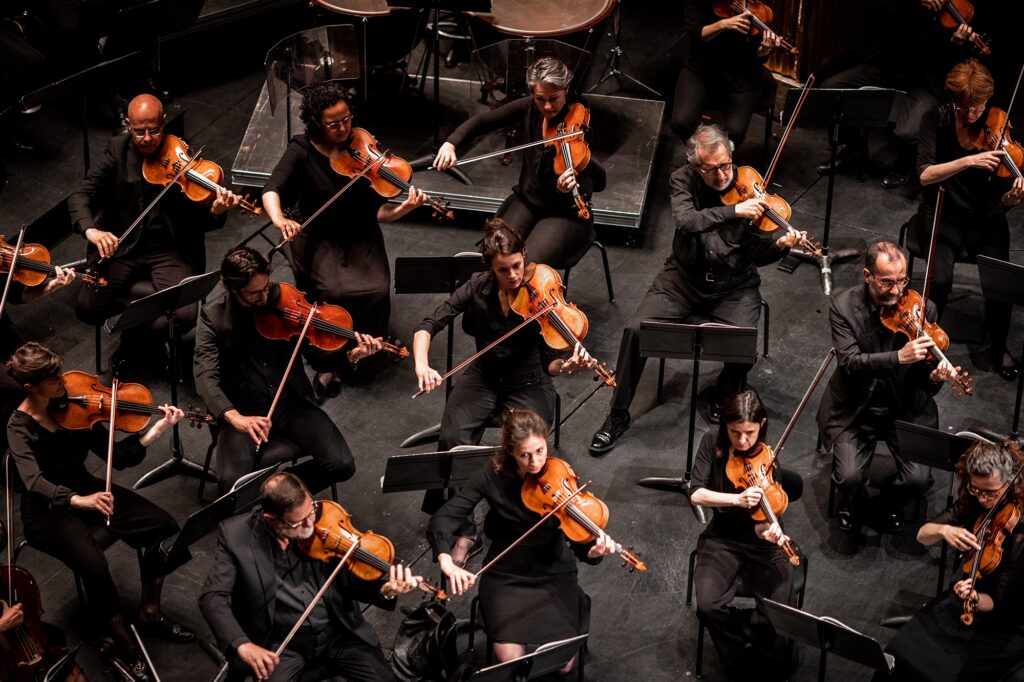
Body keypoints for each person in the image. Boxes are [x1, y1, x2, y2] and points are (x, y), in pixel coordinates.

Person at [589, 124, 802, 454]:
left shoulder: (750, 187)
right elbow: (686, 221)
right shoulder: (683, 179)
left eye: (726, 165)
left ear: (731, 156)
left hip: (733, 286)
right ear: (696, 166)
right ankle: (618, 414)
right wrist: (733, 211)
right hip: (682, 281)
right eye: (711, 169)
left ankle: (724, 391)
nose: (722, 175)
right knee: (635, 331)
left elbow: (757, 256)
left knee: (743, 341)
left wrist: (780, 246)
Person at [6, 341, 194, 681]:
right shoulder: (18, 428)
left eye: (60, 372)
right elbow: (33, 482)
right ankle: (122, 642)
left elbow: (116, 458)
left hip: (84, 486)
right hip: (46, 511)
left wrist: (158, 429)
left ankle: (150, 611)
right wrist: (79, 501)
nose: (63, 381)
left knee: (163, 525)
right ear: (30, 387)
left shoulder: (74, 404)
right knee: (94, 564)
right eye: (53, 378)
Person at [262, 81, 427, 400]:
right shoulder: (301, 150)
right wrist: (280, 219)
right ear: (315, 122)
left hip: (359, 233)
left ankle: (369, 349)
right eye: (333, 124)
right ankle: (329, 359)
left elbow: (378, 212)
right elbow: (272, 189)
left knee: (377, 289)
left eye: (347, 119)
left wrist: (405, 207)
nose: (343, 128)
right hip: (317, 235)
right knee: (333, 293)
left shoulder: (362, 146)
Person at [427, 409, 616, 668]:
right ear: (511, 452)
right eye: (524, 455)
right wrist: (446, 561)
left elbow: (577, 539)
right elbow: (444, 516)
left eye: (540, 450)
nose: (535, 462)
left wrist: (593, 551)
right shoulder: (492, 474)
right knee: (510, 661)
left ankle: (573, 609)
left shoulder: (558, 473)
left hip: (552, 569)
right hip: (506, 573)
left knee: (562, 665)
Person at [199, 472, 421, 682]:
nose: (311, 525)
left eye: (311, 511)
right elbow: (212, 598)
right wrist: (243, 645)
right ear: (272, 520)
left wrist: (385, 590)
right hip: (283, 647)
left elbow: (348, 582)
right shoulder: (236, 537)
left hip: (338, 633)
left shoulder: (325, 522)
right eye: (299, 522)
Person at [69, 93, 240, 365]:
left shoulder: (180, 158)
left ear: (164, 121)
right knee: (87, 307)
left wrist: (215, 212)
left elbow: (199, 222)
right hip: (123, 246)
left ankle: (132, 340)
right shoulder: (116, 151)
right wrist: (91, 230)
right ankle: (149, 304)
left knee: (185, 316)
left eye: (154, 130)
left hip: (168, 249)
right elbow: (80, 195)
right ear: (128, 125)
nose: (147, 138)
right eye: (139, 132)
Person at [194, 246, 374, 495]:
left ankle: (278, 494)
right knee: (231, 486)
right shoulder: (213, 317)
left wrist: (351, 357)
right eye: (254, 293)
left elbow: (317, 357)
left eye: (266, 287)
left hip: (292, 404)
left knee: (342, 464)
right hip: (245, 412)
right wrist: (235, 417)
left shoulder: (284, 302)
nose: (264, 297)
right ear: (233, 289)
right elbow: (205, 375)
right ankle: (257, 499)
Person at [413, 218, 595, 453]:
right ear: (491, 267)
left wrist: (568, 366)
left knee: (528, 448)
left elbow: (550, 363)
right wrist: (422, 365)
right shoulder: (477, 287)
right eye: (503, 270)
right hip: (483, 376)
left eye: (517, 265)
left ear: (524, 254)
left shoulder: (541, 295)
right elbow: (428, 325)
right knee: (451, 440)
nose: (513, 275)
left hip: (528, 384)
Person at [817, 241, 960, 535]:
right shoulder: (843, 306)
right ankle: (854, 504)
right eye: (887, 282)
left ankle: (885, 506)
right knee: (849, 478)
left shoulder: (923, 308)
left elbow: (923, 375)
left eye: (902, 281)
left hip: (905, 409)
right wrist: (898, 357)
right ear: (868, 276)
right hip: (856, 407)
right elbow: (850, 362)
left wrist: (935, 377)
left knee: (918, 481)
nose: (896, 291)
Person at [432, 56, 607, 270]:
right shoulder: (529, 108)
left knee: (521, 268)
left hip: (566, 213)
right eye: (540, 98)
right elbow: (482, 121)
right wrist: (451, 143)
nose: (547, 106)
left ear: (566, 90)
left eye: (554, 98)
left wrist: (565, 189)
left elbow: (600, 181)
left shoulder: (578, 123)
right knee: (495, 258)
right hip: (528, 201)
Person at [908, 58, 1023, 381]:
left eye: (979, 106)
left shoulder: (997, 124)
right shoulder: (936, 119)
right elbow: (924, 174)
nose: (973, 113)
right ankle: (928, 343)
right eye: (965, 106)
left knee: (1000, 282)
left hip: (985, 217)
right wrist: (968, 161)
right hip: (942, 211)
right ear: (954, 100)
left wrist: (1010, 200)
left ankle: (997, 346)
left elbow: (1000, 195)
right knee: (940, 280)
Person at [885, 440, 1024, 681]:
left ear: (1010, 483)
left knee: (947, 674)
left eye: (991, 493)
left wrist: (976, 599)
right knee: (900, 651)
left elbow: (1000, 602)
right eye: (976, 489)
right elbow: (922, 535)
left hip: (1005, 615)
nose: (983, 499)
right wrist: (943, 530)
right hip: (966, 592)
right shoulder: (973, 499)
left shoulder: (1019, 532)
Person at [689, 390, 800, 679]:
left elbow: (762, 523)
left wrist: (768, 532)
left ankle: (754, 640)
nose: (741, 441)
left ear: (761, 425)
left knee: (778, 610)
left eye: (749, 433)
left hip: (761, 543)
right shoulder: (711, 442)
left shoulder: (768, 458)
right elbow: (696, 493)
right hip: (722, 538)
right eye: (734, 432)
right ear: (725, 426)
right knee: (708, 606)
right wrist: (736, 500)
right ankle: (738, 656)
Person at [814, 0, 977, 188]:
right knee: (832, 90)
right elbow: (880, 18)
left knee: (907, 132)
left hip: (923, 81)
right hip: (886, 67)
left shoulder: (957, 11)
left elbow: (947, 63)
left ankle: (905, 164)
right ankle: (854, 150)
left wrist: (954, 44)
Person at [671, 0, 783, 147]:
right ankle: (700, 152)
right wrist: (723, 24)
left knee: (734, 133)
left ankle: (720, 156)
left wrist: (764, 51)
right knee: (681, 122)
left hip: (742, 75)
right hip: (702, 67)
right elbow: (695, 33)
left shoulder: (756, 7)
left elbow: (757, 54)